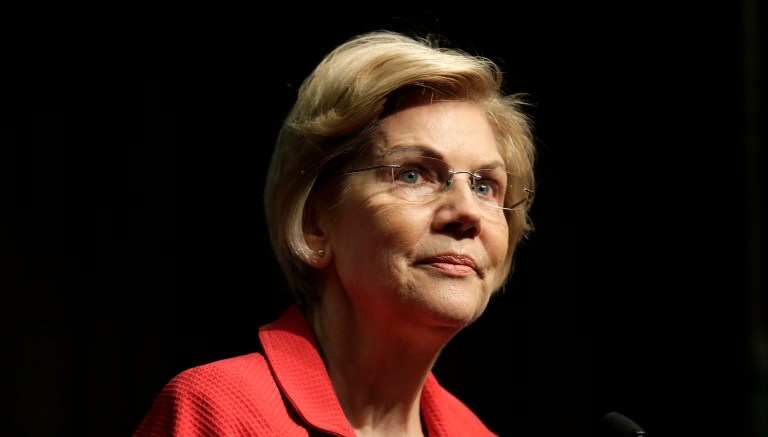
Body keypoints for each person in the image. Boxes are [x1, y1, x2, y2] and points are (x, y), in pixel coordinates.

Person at [134, 29, 536, 437]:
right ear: (314, 223)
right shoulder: (219, 411)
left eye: (485, 185)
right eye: (412, 174)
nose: (467, 211)